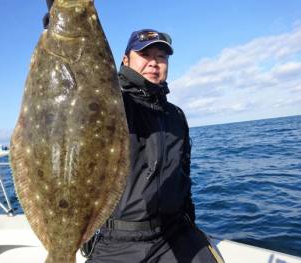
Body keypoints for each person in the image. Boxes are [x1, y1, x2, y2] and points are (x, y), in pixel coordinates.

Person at [43, 2, 222, 262]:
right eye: (145, 54)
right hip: (118, 241)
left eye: (161, 56)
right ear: (126, 60)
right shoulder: (112, 102)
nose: (154, 62)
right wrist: (60, 14)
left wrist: (190, 222)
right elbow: (76, 71)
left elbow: (184, 174)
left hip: (174, 231)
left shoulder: (176, 116)